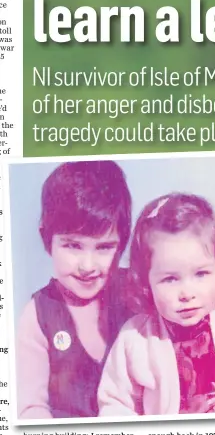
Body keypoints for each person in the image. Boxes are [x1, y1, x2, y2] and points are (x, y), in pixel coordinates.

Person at [98, 193, 215, 416]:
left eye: (201, 274)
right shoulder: (135, 338)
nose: (186, 293)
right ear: (145, 280)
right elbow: (115, 405)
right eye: (170, 279)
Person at [16, 160, 133, 419]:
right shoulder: (38, 316)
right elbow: (30, 409)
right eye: (72, 246)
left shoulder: (136, 290)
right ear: (48, 240)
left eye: (104, 247)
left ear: (121, 244)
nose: (87, 266)